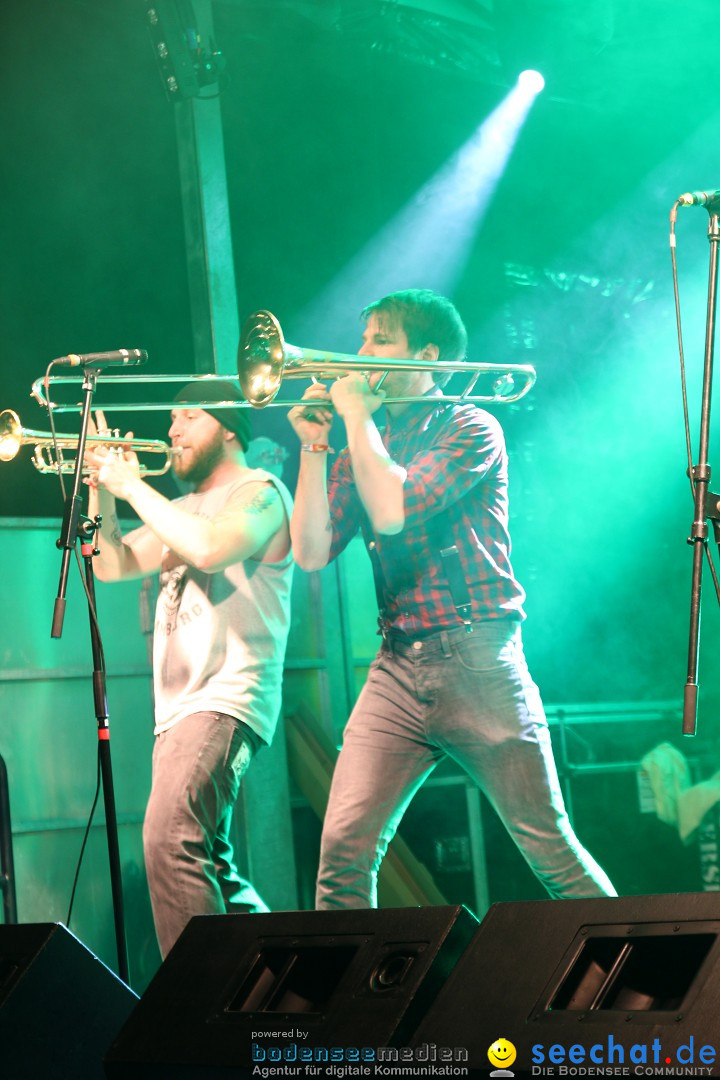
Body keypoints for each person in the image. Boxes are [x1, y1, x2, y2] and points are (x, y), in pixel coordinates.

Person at [288, 288, 616, 909]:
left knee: (549, 848)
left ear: (428, 354)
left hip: (477, 657)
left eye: (378, 341)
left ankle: (645, 984)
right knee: (342, 854)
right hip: (396, 666)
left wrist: (356, 420)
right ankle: (357, 1006)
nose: (358, 355)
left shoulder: (471, 424)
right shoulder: (367, 442)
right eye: (363, 340)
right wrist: (313, 444)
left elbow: (393, 511)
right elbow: (309, 551)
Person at [86, 379, 294, 957]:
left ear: (228, 426)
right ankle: (292, 979)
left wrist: (130, 485)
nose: (172, 429)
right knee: (209, 863)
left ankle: (198, 1003)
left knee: (168, 839)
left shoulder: (263, 491)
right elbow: (114, 565)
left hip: (226, 697)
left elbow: (208, 550)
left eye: (187, 416)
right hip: (178, 710)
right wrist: (103, 492)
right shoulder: (179, 508)